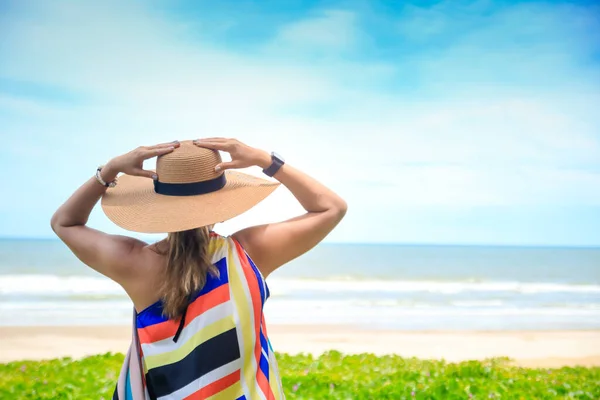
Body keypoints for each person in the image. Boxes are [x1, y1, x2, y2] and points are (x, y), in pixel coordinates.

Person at [50, 138, 347, 400]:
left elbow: (64, 222)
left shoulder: (132, 261)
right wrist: (265, 161)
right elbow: (331, 207)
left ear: (158, 202)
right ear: (221, 200)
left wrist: (110, 170)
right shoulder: (249, 252)